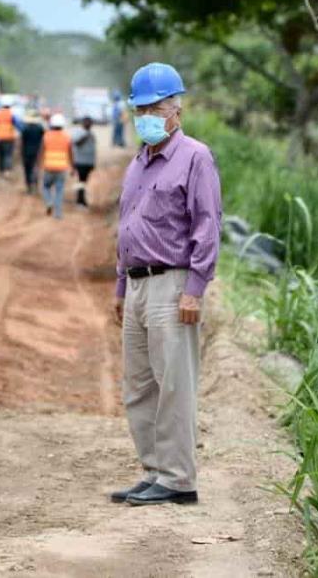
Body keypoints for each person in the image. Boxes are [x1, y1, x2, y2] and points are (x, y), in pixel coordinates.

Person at [111, 62, 221, 507]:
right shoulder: (138, 162)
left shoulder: (195, 157)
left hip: (172, 283)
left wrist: (195, 287)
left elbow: (207, 224)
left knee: (174, 383)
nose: (147, 116)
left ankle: (178, 479)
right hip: (137, 285)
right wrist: (120, 288)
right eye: (140, 108)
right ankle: (154, 470)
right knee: (139, 386)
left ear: (176, 110)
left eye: (155, 107)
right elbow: (126, 226)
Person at [39, 113, 72, 219]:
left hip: (48, 167)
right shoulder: (67, 137)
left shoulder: (46, 136)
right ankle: (58, 213)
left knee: (45, 187)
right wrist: (73, 166)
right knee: (59, 190)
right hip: (62, 168)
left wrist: (39, 164)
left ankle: (49, 201)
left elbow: (42, 152)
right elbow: (71, 153)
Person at [71, 116, 97, 208]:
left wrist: (93, 163)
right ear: (83, 123)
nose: (89, 124)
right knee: (81, 182)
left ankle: (81, 200)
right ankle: (80, 201)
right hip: (80, 161)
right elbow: (76, 142)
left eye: (90, 122)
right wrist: (85, 136)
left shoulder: (91, 133)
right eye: (87, 122)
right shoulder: (79, 132)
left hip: (88, 162)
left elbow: (93, 149)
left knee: (84, 182)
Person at [18, 109, 46, 194]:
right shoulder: (40, 128)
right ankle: (35, 185)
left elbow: (21, 142)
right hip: (37, 151)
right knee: (35, 168)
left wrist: (20, 152)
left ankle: (29, 187)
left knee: (27, 169)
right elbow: (43, 141)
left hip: (26, 152)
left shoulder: (25, 129)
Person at [0, 99, 17, 178]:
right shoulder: (11, 114)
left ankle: (1, 170)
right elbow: (16, 123)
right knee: (8, 154)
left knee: (1, 154)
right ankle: (7, 171)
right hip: (8, 137)